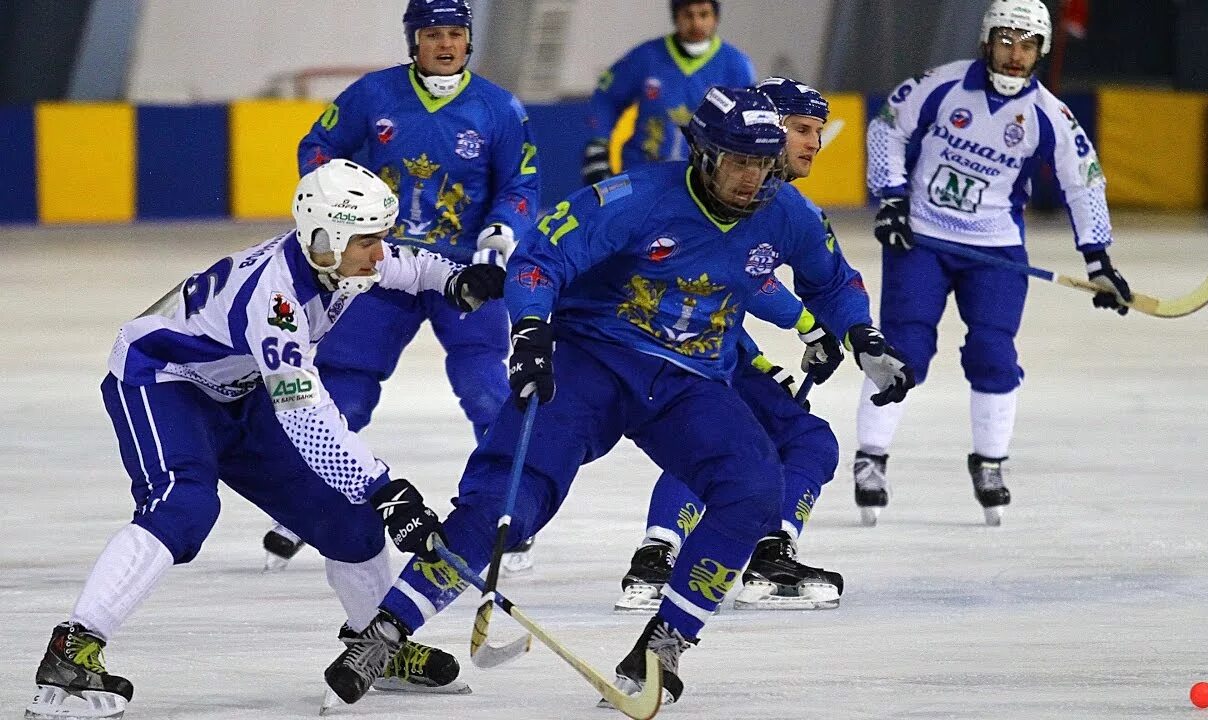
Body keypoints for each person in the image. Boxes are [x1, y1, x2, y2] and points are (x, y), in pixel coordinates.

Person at [320, 87, 914, 709]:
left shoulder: (789, 213)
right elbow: (538, 258)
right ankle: (385, 633)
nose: (752, 177)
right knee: (504, 502)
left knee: (754, 487)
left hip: (691, 382)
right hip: (591, 364)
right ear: (704, 155)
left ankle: (665, 643)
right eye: (738, 161)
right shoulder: (634, 197)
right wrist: (529, 331)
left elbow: (833, 281)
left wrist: (863, 335)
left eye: (764, 163)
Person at [24, 160, 506, 719]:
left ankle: (376, 646)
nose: (379, 254)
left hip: (239, 390)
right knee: (183, 505)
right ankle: (73, 650)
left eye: (380, 239)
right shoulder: (274, 300)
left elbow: (410, 266)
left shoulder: (341, 259)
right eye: (368, 242)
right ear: (327, 240)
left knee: (348, 522)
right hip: (160, 382)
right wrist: (384, 487)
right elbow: (306, 418)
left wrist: (455, 278)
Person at [263, 0, 540, 574]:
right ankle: (303, 504)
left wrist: (499, 234)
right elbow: (317, 148)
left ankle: (506, 510)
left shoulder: (498, 108)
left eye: (456, 34)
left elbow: (521, 182)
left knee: (486, 387)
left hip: (462, 270)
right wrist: (335, 202)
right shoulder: (373, 94)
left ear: (469, 42)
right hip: (378, 262)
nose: (445, 44)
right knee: (346, 387)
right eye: (433, 33)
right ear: (413, 41)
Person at [854, 0, 1131, 527]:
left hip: (997, 250)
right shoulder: (943, 84)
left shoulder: (1048, 114)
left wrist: (1097, 259)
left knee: (993, 354)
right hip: (923, 239)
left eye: (1027, 46)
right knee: (904, 349)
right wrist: (891, 199)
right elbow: (887, 125)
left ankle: (991, 463)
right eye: (1006, 41)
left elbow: (1085, 183)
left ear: (1041, 53)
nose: (1014, 55)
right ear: (986, 41)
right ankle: (872, 456)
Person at [614, 77, 852, 613]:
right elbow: (724, 275)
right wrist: (807, 323)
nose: (813, 143)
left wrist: (766, 358)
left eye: (817, 131)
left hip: (706, 345)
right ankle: (766, 555)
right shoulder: (743, 188)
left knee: (736, 442)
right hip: (667, 346)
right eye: (801, 130)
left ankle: (661, 555)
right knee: (738, 441)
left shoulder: (766, 194)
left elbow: (729, 289)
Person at [581, 0, 754, 186]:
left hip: (705, 181)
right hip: (642, 173)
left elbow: (747, 125)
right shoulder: (645, 57)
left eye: (704, 15)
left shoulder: (736, 66)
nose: (696, 23)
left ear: (716, 18)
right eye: (688, 15)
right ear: (675, 17)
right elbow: (605, 98)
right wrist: (597, 146)